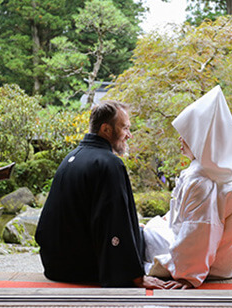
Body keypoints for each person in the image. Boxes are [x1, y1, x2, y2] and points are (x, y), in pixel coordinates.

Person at [35, 100, 168, 289]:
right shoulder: (109, 163)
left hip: (55, 265)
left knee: (136, 230)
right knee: (143, 236)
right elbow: (115, 222)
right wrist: (135, 276)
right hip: (81, 269)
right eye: (125, 128)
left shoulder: (72, 157)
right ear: (106, 129)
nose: (129, 135)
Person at [143, 85, 232, 288]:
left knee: (141, 234)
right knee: (151, 225)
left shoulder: (200, 179)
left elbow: (200, 229)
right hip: (223, 265)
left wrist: (187, 275)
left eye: (187, 133)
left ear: (200, 139)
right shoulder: (226, 171)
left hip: (198, 264)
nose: (180, 139)